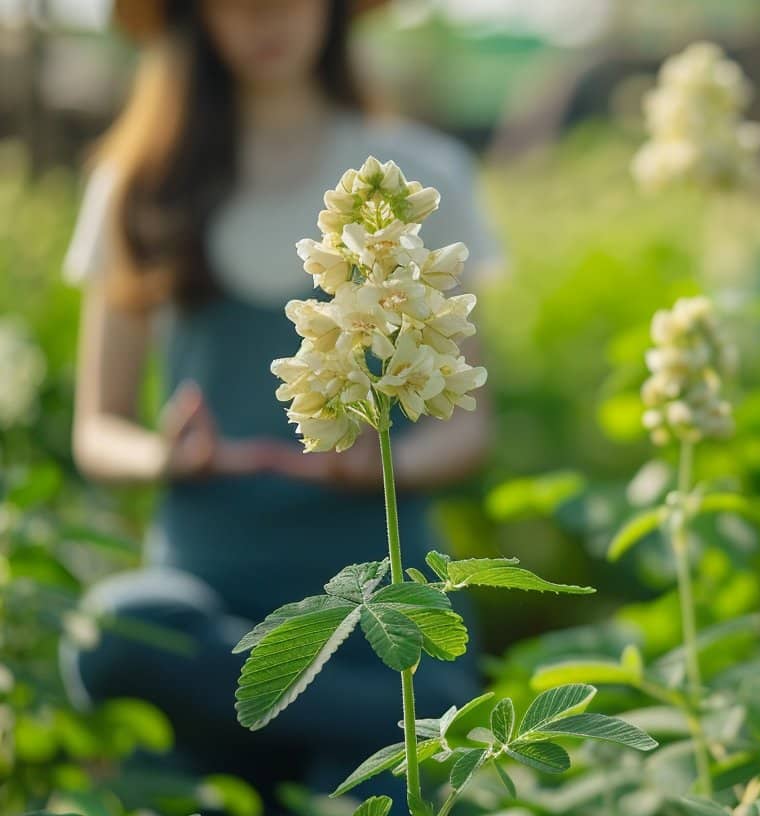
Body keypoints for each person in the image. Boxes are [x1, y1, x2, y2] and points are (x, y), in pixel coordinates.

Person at [59, 0, 496, 806]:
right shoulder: (138, 181)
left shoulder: (419, 166)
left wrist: (377, 463)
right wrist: (166, 456)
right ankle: (407, 720)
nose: (266, 16)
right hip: (207, 600)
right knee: (113, 632)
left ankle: (329, 736)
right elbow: (98, 427)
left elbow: (468, 423)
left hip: (375, 609)